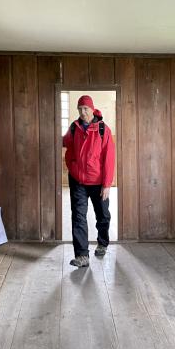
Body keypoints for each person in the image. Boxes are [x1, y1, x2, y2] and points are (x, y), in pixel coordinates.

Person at [63, 95, 115, 267]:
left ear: (92, 109)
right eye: (79, 109)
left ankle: (102, 242)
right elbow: (66, 144)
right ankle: (82, 255)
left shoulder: (103, 130)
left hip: (98, 182)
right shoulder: (74, 128)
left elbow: (109, 159)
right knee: (78, 216)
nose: (82, 112)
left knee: (103, 215)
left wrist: (107, 184)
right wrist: (71, 165)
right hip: (78, 181)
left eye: (85, 109)